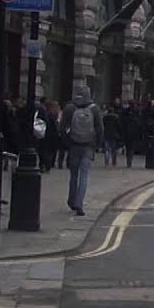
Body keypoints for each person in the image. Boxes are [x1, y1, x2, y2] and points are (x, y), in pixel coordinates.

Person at [61, 87, 104, 216]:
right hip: (88, 146)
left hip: (74, 145)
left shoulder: (70, 108)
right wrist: (97, 145)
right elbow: (100, 128)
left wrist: (67, 143)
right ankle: (80, 203)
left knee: (73, 175)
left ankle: (72, 201)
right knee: (84, 175)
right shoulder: (94, 109)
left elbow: (62, 128)